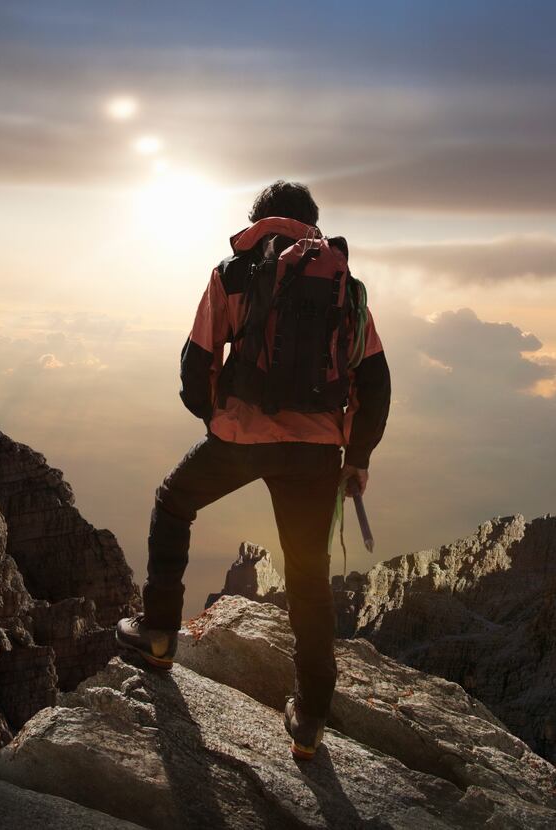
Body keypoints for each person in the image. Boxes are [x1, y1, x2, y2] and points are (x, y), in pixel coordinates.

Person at [116, 180, 391, 760]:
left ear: (260, 220)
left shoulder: (233, 273)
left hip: (241, 437)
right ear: (312, 224)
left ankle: (160, 635)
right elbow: (375, 380)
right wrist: (357, 457)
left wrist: (219, 416)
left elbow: (197, 362)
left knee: (174, 502)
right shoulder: (349, 287)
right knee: (309, 573)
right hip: (317, 452)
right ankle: (311, 715)